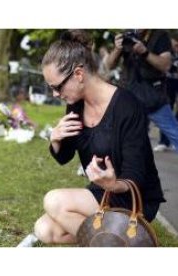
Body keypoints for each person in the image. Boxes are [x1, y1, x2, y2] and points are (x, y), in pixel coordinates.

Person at [34, 30, 165, 245]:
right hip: (102, 191)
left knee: (54, 200)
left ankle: (113, 246)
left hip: (131, 195)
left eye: (57, 87)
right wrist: (56, 139)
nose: (55, 94)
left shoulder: (127, 106)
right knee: (45, 229)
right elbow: (65, 156)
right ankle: (115, 244)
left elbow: (137, 173)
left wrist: (114, 185)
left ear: (78, 74)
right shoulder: (75, 104)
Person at [105, 30, 178, 153]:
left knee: (174, 133)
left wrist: (145, 52)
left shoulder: (160, 35)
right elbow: (109, 65)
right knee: (119, 136)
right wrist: (117, 49)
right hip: (129, 96)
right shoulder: (127, 34)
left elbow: (165, 65)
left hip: (153, 97)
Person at [154, 35, 178, 151]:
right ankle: (164, 141)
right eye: (174, 44)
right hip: (168, 82)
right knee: (166, 108)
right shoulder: (166, 49)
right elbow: (164, 65)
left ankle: (173, 140)